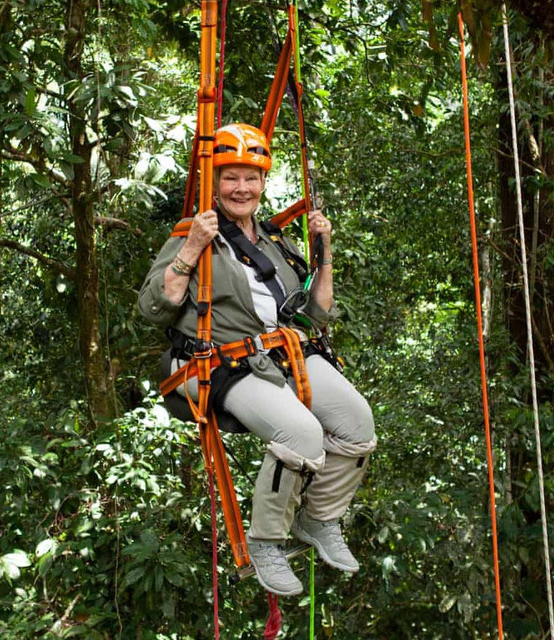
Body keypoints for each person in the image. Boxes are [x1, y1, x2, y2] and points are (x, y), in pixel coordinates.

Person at [138, 122, 377, 597]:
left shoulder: (271, 240)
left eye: (250, 177)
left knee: (357, 423)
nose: (241, 188)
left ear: (264, 182)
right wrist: (190, 249)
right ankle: (266, 541)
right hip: (213, 362)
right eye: (230, 177)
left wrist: (324, 252)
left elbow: (318, 315)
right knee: (303, 433)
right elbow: (151, 308)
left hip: (281, 353)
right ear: (215, 181)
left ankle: (318, 519)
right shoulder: (194, 232)